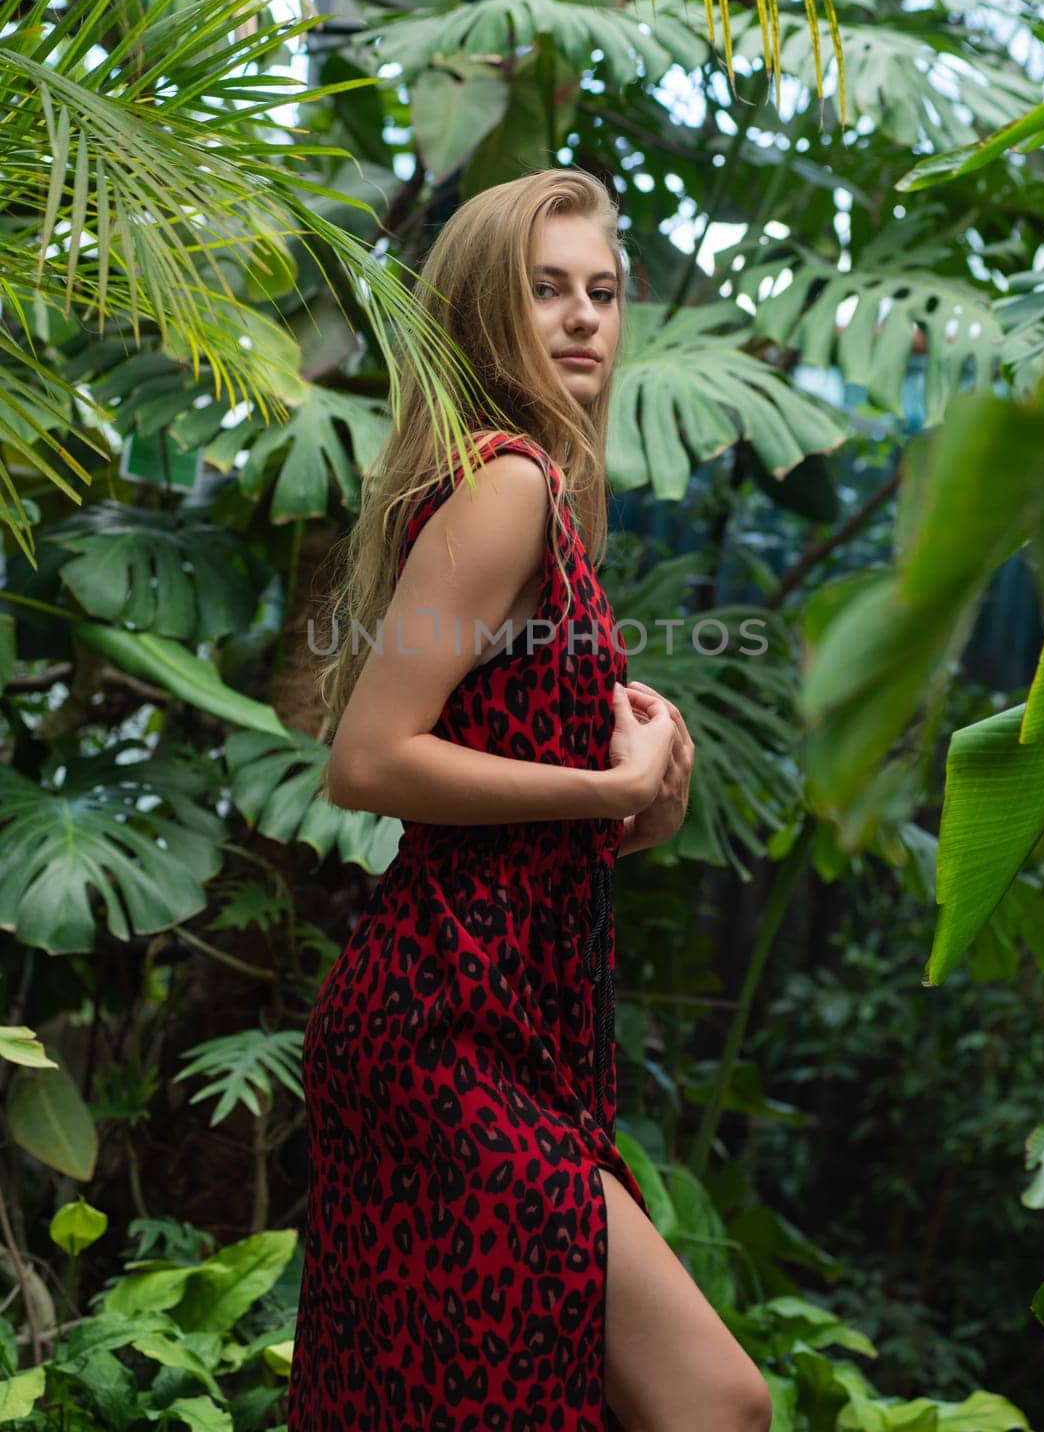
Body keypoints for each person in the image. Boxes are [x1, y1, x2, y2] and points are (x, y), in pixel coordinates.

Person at [288, 168, 772, 1432]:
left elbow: (504, 777)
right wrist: (600, 779)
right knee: (713, 1401)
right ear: (483, 316)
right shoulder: (509, 484)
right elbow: (371, 759)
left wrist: (633, 795)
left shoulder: (545, 505)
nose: (581, 320)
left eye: (602, 293)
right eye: (544, 290)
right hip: (439, 1028)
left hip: (499, 1024)